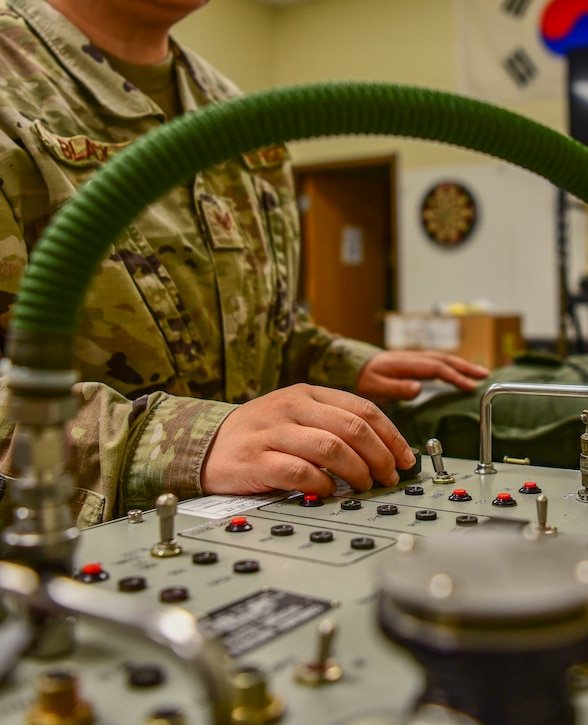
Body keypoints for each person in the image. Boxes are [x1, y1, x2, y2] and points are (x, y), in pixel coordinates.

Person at [0, 0, 489, 528]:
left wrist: (340, 365)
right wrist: (190, 444)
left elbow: (251, 326)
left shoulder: (233, 112)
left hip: (255, 530)